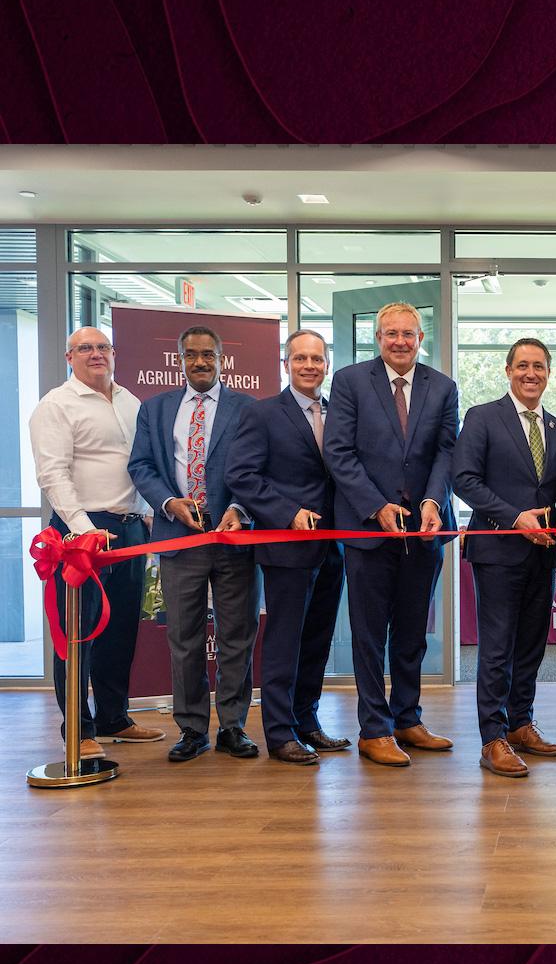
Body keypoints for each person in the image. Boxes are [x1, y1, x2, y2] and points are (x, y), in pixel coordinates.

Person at [323, 302, 458, 767]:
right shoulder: (350, 381)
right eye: (391, 333)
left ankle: (408, 719)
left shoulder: (442, 387)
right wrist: (376, 506)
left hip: (423, 531)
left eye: (409, 333)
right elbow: (338, 453)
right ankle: (373, 729)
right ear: (379, 338)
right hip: (367, 530)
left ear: (421, 338)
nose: (400, 341)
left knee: (412, 635)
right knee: (368, 635)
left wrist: (431, 502)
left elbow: (446, 452)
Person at [127, 324, 260, 763]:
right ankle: (191, 729)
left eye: (208, 355)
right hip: (178, 535)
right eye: (191, 355)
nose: (200, 362)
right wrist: (168, 502)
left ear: (222, 359)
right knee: (183, 638)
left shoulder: (247, 409)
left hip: (234, 536)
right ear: (179, 359)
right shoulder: (156, 409)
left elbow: (261, 465)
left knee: (236, 636)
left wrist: (241, 508)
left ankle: (234, 726)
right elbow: (142, 465)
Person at [29, 326, 164, 759]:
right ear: (69, 357)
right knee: (76, 632)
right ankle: (79, 727)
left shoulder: (130, 401)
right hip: (81, 532)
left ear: (113, 353)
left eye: (102, 347)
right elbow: (53, 474)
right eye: (84, 348)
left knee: (121, 628)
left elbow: (139, 466)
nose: (95, 354)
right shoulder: (56, 405)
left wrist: (145, 513)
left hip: (127, 529)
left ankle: (113, 718)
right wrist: (83, 528)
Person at [452, 338, 556, 778]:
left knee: (531, 643)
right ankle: (493, 738)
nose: (531, 373)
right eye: (522, 366)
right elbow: (464, 479)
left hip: (543, 556)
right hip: (497, 551)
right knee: (497, 648)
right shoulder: (482, 418)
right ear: (508, 371)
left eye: (539, 366)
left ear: (549, 373)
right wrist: (514, 517)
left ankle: (521, 722)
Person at [226, 329, 350, 765]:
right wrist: (286, 512)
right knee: (284, 640)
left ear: (327, 364)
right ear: (286, 364)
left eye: (317, 359)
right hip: (286, 547)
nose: (310, 366)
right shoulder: (263, 414)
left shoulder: (338, 412)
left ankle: (307, 722)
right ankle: (279, 733)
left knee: (317, 639)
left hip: (333, 544)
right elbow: (241, 476)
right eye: (301, 359)